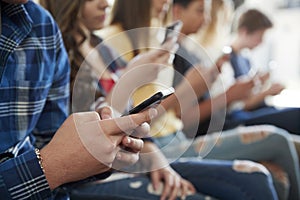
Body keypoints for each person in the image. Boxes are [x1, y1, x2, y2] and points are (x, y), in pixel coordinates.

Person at [39, 0, 282, 200]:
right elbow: (104, 126)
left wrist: (153, 151)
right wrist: (190, 92)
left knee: (259, 174)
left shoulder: (103, 45)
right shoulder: (106, 44)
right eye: (200, 10)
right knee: (267, 154)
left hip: (147, 144)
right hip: (126, 156)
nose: (167, 3)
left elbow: (122, 116)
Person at [0, 0, 156, 199]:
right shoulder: (63, 41)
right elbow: (52, 161)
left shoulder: (44, 28)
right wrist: (53, 166)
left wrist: (96, 143)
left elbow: (50, 145)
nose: (105, 4)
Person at [227, 8, 300, 134]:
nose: (261, 42)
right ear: (244, 31)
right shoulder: (226, 60)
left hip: (253, 110)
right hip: (239, 117)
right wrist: (267, 92)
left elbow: (250, 95)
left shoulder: (245, 60)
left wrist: (262, 86)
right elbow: (238, 104)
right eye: (259, 37)